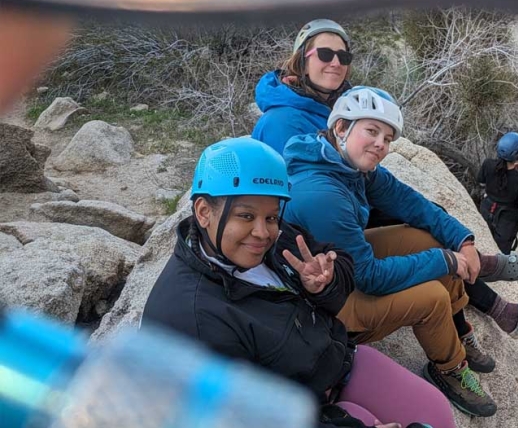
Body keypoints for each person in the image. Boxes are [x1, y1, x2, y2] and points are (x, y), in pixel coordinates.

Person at [141, 137, 455, 428]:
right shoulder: (191, 318)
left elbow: (338, 261)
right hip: (297, 410)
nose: (262, 232)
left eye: (271, 217)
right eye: (246, 216)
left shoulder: (275, 240)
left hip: (337, 362)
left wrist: (325, 284)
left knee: (438, 416)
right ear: (204, 211)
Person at [282, 87, 518, 418]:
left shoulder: (344, 163)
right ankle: (449, 368)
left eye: (387, 137)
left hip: (341, 267)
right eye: (371, 131)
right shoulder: (322, 194)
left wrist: (464, 243)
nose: (381, 144)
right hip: (325, 304)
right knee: (431, 297)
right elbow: (370, 279)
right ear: (341, 127)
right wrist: (446, 261)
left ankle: (455, 332)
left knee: (428, 239)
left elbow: (411, 203)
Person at [252, 19, 353, 155]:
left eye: (343, 56)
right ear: (302, 63)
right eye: (325, 54)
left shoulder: (345, 114)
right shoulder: (282, 122)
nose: (336, 63)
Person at [477, 131, 518, 254]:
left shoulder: (487, 164)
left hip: (486, 210)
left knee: (481, 246)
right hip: (506, 220)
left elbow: (482, 183)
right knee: (500, 255)